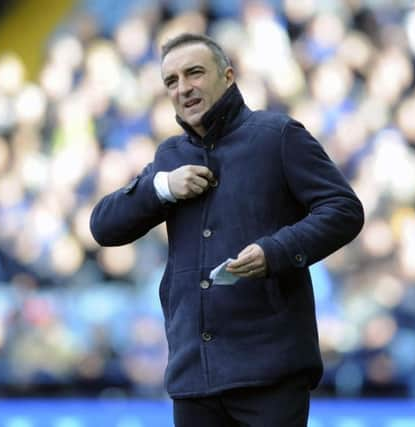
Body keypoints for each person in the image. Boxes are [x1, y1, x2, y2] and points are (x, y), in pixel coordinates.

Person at [90, 33, 364, 426]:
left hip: (270, 370)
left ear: (228, 76)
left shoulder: (278, 136)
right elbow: (104, 227)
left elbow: (344, 209)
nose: (183, 88)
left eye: (194, 73)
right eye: (171, 81)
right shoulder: (171, 156)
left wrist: (275, 252)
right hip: (194, 376)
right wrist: (163, 187)